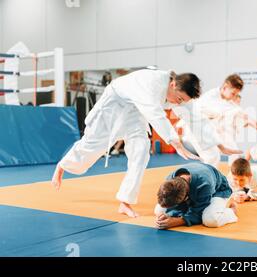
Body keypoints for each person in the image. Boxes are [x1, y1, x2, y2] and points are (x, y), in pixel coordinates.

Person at [51, 69, 201, 218]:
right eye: (179, 98)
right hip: (114, 105)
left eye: (182, 101)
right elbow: (156, 115)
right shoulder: (152, 84)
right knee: (92, 145)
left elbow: (186, 113)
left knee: (141, 152)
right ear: (173, 84)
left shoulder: (172, 89)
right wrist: (177, 144)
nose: (178, 103)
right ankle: (63, 165)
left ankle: (125, 202)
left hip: (135, 111)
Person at [154, 163, 238, 229]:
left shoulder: (204, 184)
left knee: (210, 220)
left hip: (218, 190)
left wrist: (177, 221)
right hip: (194, 188)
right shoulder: (169, 179)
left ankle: (231, 212)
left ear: (186, 198)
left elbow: (197, 213)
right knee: (159, 210)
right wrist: (169, 214)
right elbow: (171, 203)